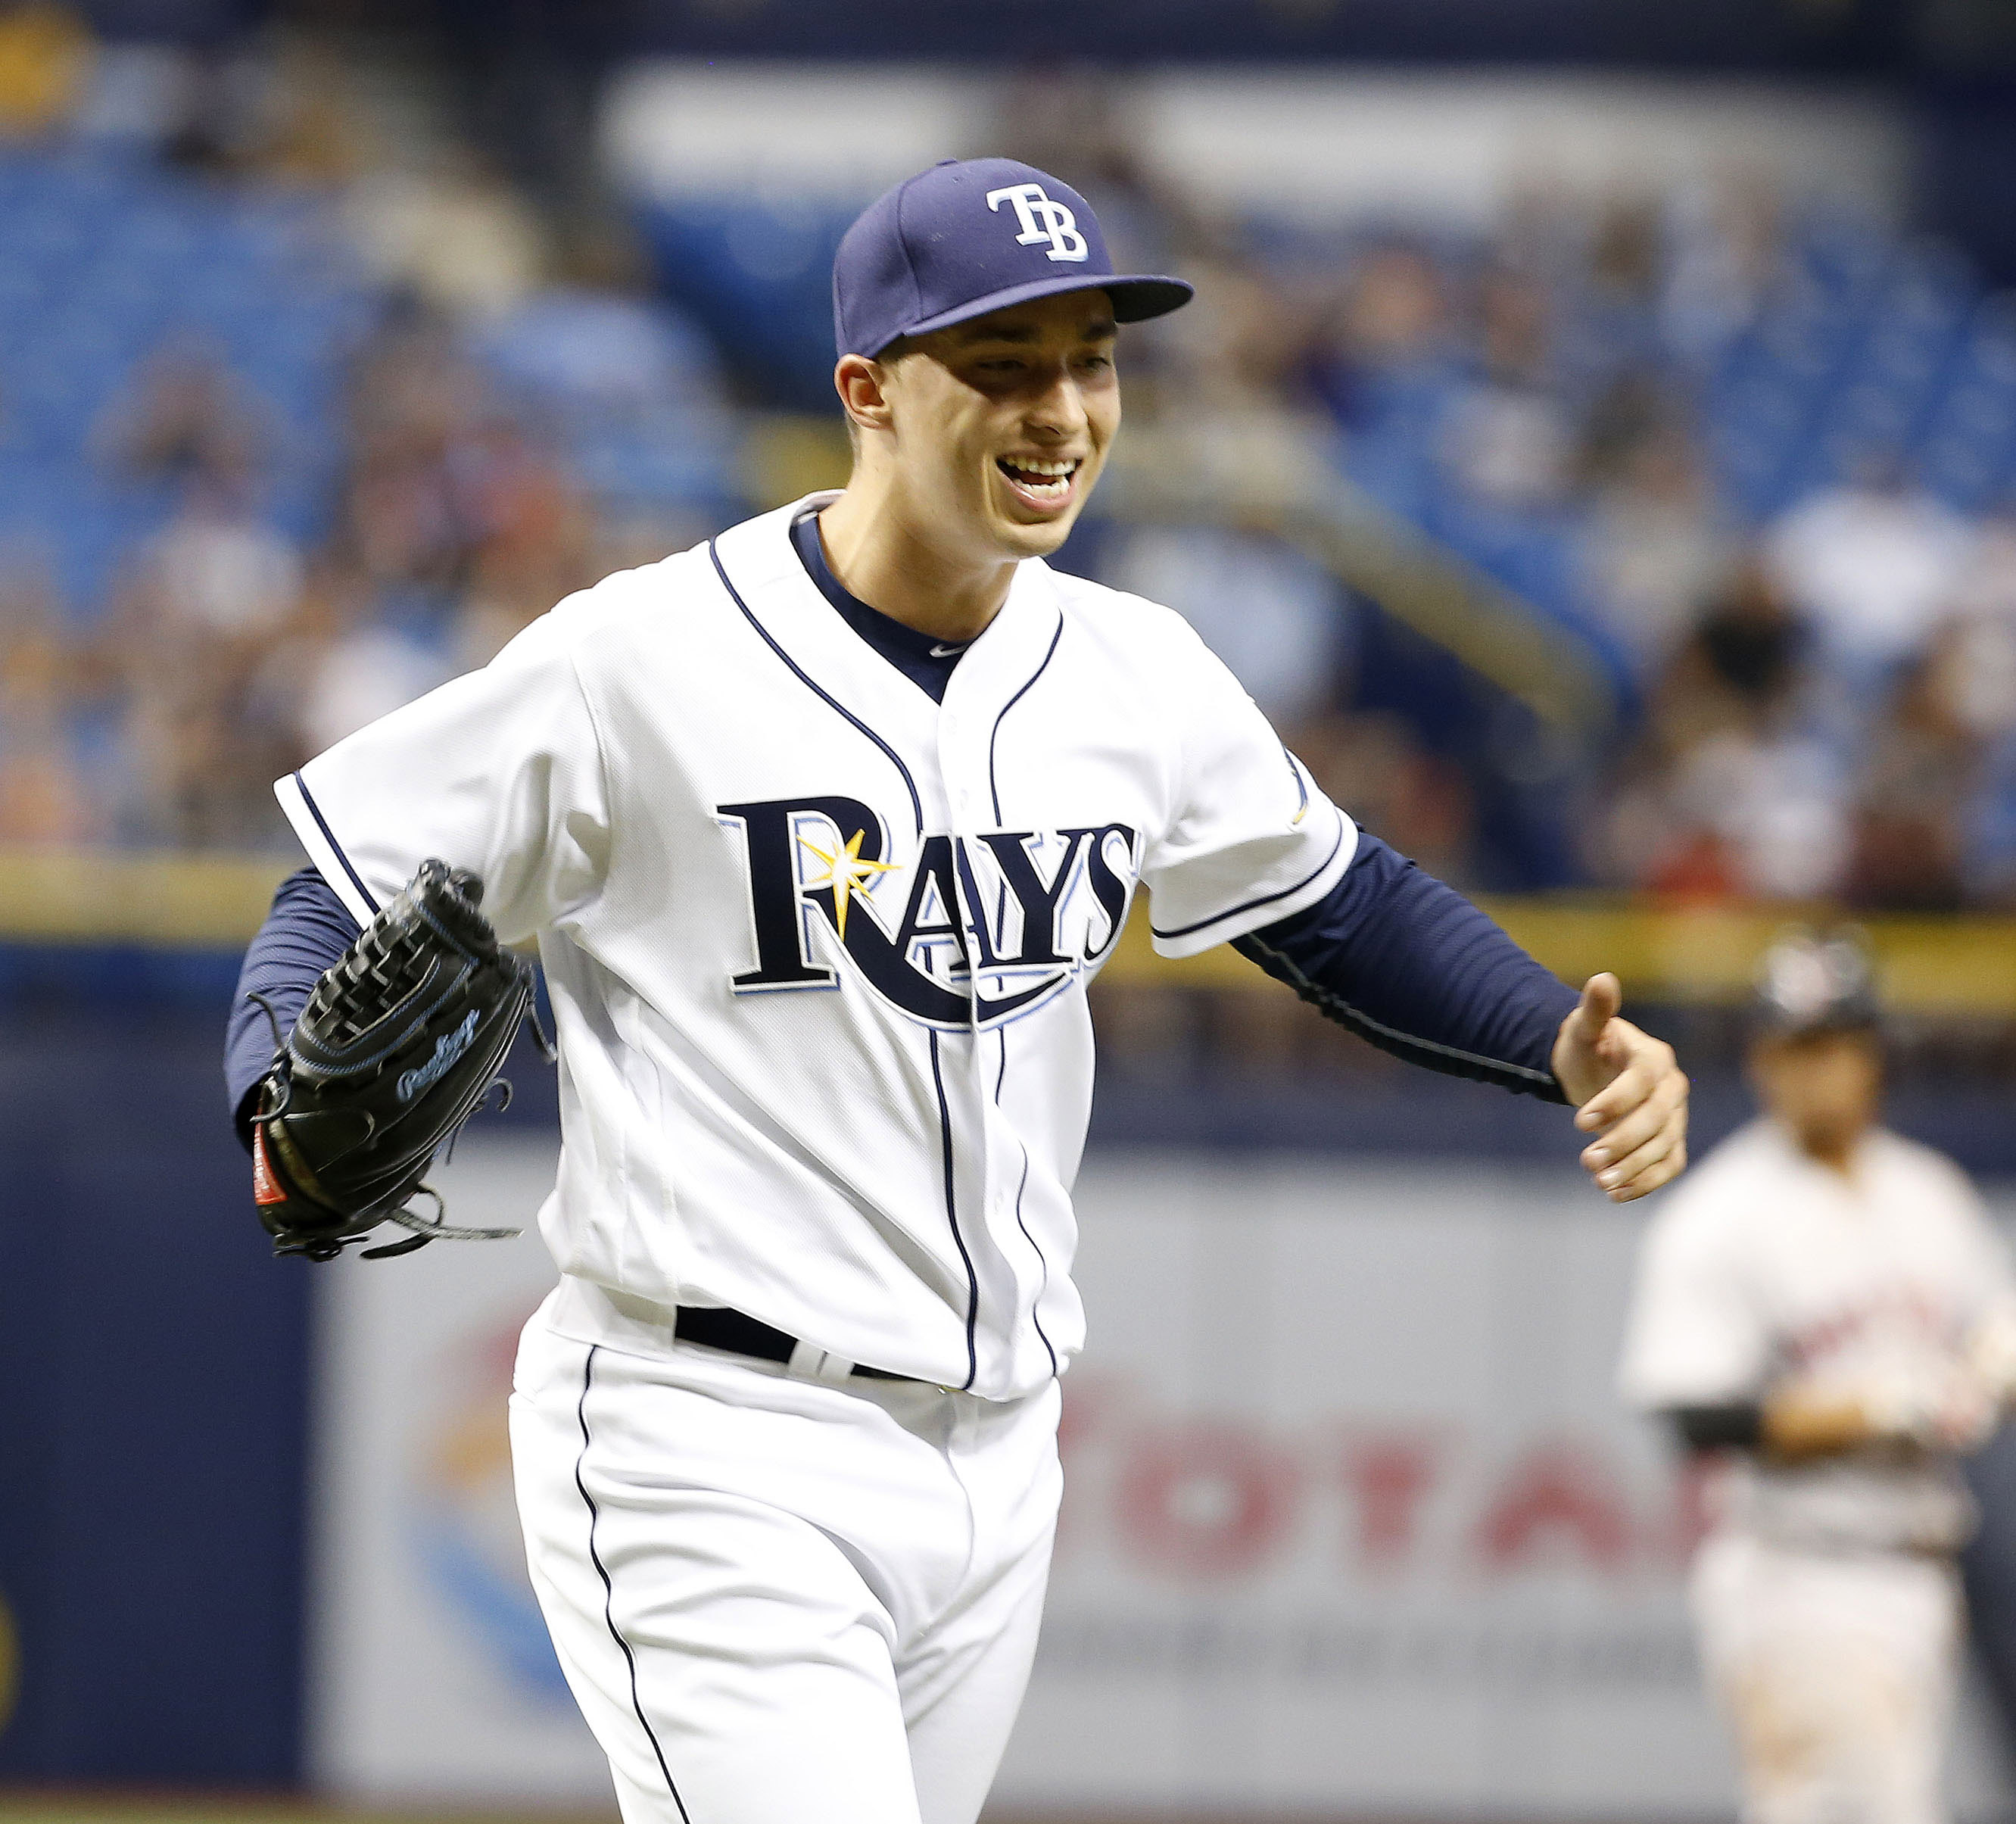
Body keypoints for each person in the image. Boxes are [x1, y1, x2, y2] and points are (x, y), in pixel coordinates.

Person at [222, 158, 1691, 1824]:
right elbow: (338, 884)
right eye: (1002, 365)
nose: (1061, 410)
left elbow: (1339, 902)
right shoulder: (639, 659)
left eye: (1092, 360)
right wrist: (273, 1087)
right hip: (710, 1436)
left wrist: (1550, 1047)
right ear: (868, 391)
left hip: (998, 1453)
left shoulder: (1134, 669)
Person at [1614, 931, 2016, 1824]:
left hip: (1918, 1573)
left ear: (1871, 1055)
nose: (1812, 1070)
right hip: (1800, 1577)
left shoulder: (1926, 1192)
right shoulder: (1723, 1213)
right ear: (1759, 1059)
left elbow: (2002, 1329)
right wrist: (1877, 1410)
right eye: (1792, 1047)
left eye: (1832, 1044)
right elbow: (1698, 1416)